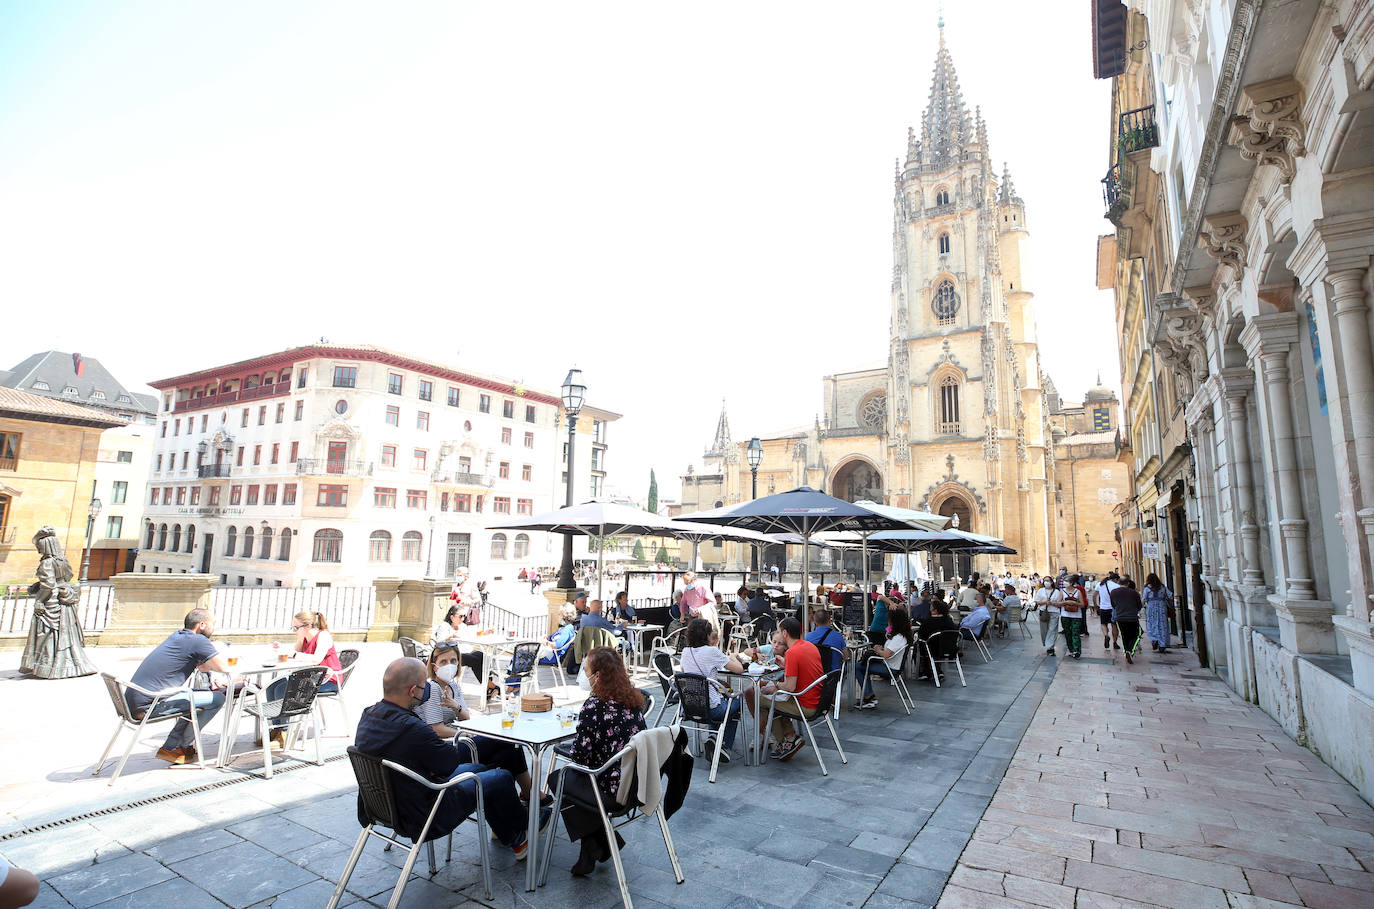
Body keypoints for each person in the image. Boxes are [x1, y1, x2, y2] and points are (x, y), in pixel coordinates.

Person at [354, 658, 539, 858]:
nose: (427, 691)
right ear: (413, 691)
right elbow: (448, 764)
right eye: (424, 686)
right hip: (426, 811)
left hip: (385, 805)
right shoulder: (412, 728)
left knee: (483, 768)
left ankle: (512, 833)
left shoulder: (368, 715)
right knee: (500, 777)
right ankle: (525, 825)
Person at [414, 644, 545, 804]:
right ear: (434, 667)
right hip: (448, 747)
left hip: (460, 741)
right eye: (443, 662)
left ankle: (526, 800)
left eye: (453, 660)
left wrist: (456, 706)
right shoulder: (432, 688)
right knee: (503, 739)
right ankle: (531, 796)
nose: (449, 665)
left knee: (508, 754)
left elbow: (466, 718)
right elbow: (436, 729)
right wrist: (462, 734)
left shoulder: (453, 686)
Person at [556, 647, 647, 876]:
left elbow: (580, 757)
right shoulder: (633, 700)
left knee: (560, 778)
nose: (583, 675)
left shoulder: (594, 706)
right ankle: (599, 844)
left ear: (597, 676)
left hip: (611, 788)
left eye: (585, 670)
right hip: (636, 784)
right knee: (576, 779)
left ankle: (599, 843)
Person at [126, 609, 230, 765]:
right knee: (217, 698)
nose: (213, 628)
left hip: (134, 702)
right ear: (201, 624)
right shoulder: (198, 641)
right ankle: (175, 747)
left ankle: (175, 746)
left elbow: (200, 663)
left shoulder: (177, 636)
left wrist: (207, 668)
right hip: (150, 706)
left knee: (197, 698)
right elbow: (223, 666)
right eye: (212, 624)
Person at [19, 526, 97, 679]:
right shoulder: (62, 561)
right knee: (63, 633)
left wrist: (39, 601)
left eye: (39, 546)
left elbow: (48, 585)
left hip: (51, 602)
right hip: (63, 600)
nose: (38, 549)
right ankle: (67, 666)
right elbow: (65, 577)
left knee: (48, 634)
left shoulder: (47, 562)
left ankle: (48, 667)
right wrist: (38, 585)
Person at [261, 610, 342, 747]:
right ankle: (277, 730)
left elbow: (316, 659)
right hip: (311, 679)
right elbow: (293, 653)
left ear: (308, 626)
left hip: (327, 681)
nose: (294, 631)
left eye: (296, 628)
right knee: (273, 685)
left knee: (283, 688)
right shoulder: (303, 638)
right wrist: (281, 649)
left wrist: (293, 653)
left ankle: (285, 732)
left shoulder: (323, 636)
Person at [758, 618, 824, 762]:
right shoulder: (809, 646)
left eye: (780, 631)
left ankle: (786, 741)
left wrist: (774, 686)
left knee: (762, 700)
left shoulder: (792, 652)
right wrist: (786, 666)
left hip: (806, 705)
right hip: (820, 701)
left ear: (785, 633)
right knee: (774, 699)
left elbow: (789, 687)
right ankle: (789, 736)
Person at [679, 619, 743, 764]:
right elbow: (739, 669)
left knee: (717, 701)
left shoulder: (685, 651)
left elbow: (688, 675)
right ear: (707, 635)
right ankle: (724, 745)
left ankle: (713, 738)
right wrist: (733, 657)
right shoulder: (712, 651)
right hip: (713, 710)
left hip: (690, 708)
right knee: (737, 699)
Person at [432, 604, 497, 701]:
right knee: (475, 659)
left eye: (464, 616)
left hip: (464, 652)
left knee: (481, 656)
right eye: (460, 616)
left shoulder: (462, 626)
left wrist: (485, 632)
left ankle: (489, 687)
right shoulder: (445, 626)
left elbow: (472, 635)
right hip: (448, 655)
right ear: (452, 617)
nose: (463, 619)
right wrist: (451, 636)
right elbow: (439, 643)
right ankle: (491, 687)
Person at [857, 608, 913, 709]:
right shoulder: (902, 636)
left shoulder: (898, 638)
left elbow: (887, 655)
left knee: (857, 667)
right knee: (862, 666)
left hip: (890, 668)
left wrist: (878, 650)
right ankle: (868, 695)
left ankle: (868, 696)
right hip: (891, 665)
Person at [916, 600, 958, 681]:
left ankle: (925, 671)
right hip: (950, 649)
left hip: (933, 649)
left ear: (935, 610)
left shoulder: (928, 622)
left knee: (922, 644)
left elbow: (921, 635)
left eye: (931, 609)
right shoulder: (949, 621)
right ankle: (938, 671)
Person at [1109, 577, 1145, 662]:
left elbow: (1113, 604)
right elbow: (1139, 605)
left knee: (1124, 635)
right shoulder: (1134, 593)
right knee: (1136, 634)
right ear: (1128, 583)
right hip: (1132, 617)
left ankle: (1126, 651)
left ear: (1118, 583)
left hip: (1120, 617)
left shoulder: (1113, 592)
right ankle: (1130, 649)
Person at [805, 608, 849, 672]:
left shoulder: (808, 637)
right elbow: (846, 656)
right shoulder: (838, 636)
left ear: (815, 622)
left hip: (815, 675)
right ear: (829, 620)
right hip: (833, 674)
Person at [1054, 574, 1086, 659]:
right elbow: (1058, 603)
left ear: (1071, 582)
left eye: (1066, 581)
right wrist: (1066, 603)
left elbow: (1082, 604)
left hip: (1077, 615)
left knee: (1075, 633)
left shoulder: (1077, 591)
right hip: (1065, 615)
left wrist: (1075, 603)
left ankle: (1077, 650)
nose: (1065, 583)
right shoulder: (1062, 591)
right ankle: (1071, 650)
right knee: (1068, 633)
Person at [1142, 573, 1174, 653]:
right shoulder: (1163, 587)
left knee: (1151, 624)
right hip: (1161, 607)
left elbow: (1144, 599)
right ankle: (1162, 644)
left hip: (1151, 607)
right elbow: (1170, 596)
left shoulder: (1147, 589)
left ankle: (1154, 639)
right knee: (1162, 625)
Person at [1034, 576, 1059, 655]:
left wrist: (1052, 603)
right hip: (1044, 612)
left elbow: (1059, 602)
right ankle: (1047, 643)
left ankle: (1050, 647)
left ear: (1052, 582)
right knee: (1044, 630)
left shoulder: (1057, 591)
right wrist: (1045, 602)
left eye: (1048, 581)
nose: (1046, 582)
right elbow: (1037, 602)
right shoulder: (1041, 591)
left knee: (1052, 629)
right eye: (1045, 581)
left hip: (1054, 612)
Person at [1096, 573, 1121, 650]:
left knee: (1103, 624)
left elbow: (1095, 595)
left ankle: (1106, 635)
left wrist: (1096, 605)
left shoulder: (1100, 584)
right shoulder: (1116, 586)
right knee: (1114, 625)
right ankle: (1115, 642)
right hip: (1113, 608)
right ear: (1115, 579)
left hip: (1103, 608)